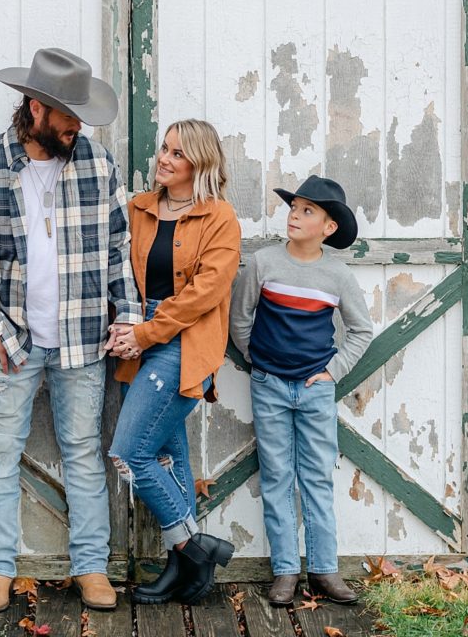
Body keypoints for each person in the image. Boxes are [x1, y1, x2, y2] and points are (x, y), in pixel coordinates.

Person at [0, 47, 141, 614]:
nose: (78, 125)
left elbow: (116, 251)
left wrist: (126, 315)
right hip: (13, 341)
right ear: (35, 108)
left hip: (83, 339)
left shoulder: (97, 166)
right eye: (68, 115)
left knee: (84, 453)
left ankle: (90, 568)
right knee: (1, 451)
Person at [107, 120, 242, 606]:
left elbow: (204, 294)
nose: (163, 159)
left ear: (200, 165)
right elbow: (115, 271)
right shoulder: (138, 209)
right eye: (163, 148)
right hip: (135, 339)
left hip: (183, 343)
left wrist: (145, 334)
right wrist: (125, 329)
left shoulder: (219, 218)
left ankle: (191, 546)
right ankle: (185, 567)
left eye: (177, 154)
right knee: (168, 457)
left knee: (128, 454)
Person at [229, 175, 373, 607]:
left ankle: (325, 569)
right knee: (276, 477)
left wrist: (332, 372)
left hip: (314, 390)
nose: (295, 215)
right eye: (294, 208)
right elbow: (240, 317)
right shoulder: (265, 263)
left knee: (315, 477)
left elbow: (361, 331)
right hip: (269, 386)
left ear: (329, 227)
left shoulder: (336, 274)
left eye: (307, 211)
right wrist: (258, 360)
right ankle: (286, 571)